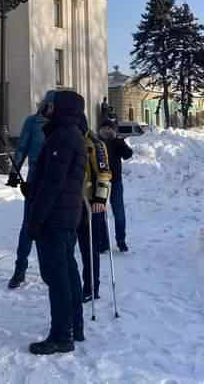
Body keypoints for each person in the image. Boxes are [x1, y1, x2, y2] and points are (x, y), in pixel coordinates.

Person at [25, 90, 86, 355]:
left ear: (60, 108)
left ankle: (62, 336)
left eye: (49, 104)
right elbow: (52, 179)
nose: (44, 108)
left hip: (56, 218)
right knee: (68, 272)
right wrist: (32, 188)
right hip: (65, 215)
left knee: (57, 277)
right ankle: (75, 327)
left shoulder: (62, 137)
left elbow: (54, 183)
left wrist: (36, 218)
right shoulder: (69, 134)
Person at [6, 90, 56, 289]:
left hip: (56, 180)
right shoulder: (32, 123)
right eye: (50, 105)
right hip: (35, 178)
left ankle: (51, 270)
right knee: (28, 225)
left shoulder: (62, 125)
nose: (53, 109)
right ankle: (20, 270)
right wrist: (13, 172)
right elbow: (22, 149)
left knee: (53, 228)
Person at [77, 116, 112, 302]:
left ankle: (91, 287)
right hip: (70, 202)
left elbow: (105, 173)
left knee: (89, 249)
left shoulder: (95, 144)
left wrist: (100, 197)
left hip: (90, 203)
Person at [98, 119, 133, 252]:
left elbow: (128, 154)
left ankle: (119, 241)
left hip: (113, 181)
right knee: (103, 211)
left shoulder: (116, 142)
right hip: (102, 181)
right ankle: (105, 242)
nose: (107, 132)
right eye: (105, 129)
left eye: (110, 129)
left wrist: (120, 142)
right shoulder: (98, 142)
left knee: (115, 211)